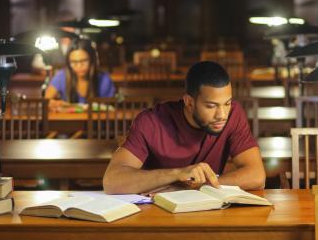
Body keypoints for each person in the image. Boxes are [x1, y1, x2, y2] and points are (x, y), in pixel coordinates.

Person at [103, 61, 265, 195]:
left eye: (227, 103)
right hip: (155, 211)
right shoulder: (151, 121)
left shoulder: (234, 114)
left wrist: (193, 187)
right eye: (211, 106)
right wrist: (177, 174)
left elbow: (257, 176)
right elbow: (112, 181)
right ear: (189, 102)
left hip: (206, 208)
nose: (222, 114)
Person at [44, 37, 116, 109]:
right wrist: (53, 104)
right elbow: (46, 101)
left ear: (92, 60)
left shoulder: (104, 79)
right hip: (69, 120)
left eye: (84, 61)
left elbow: (110, 109)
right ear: (68, 63)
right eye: (74, 62)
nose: (79, 66)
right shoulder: (61, 76)